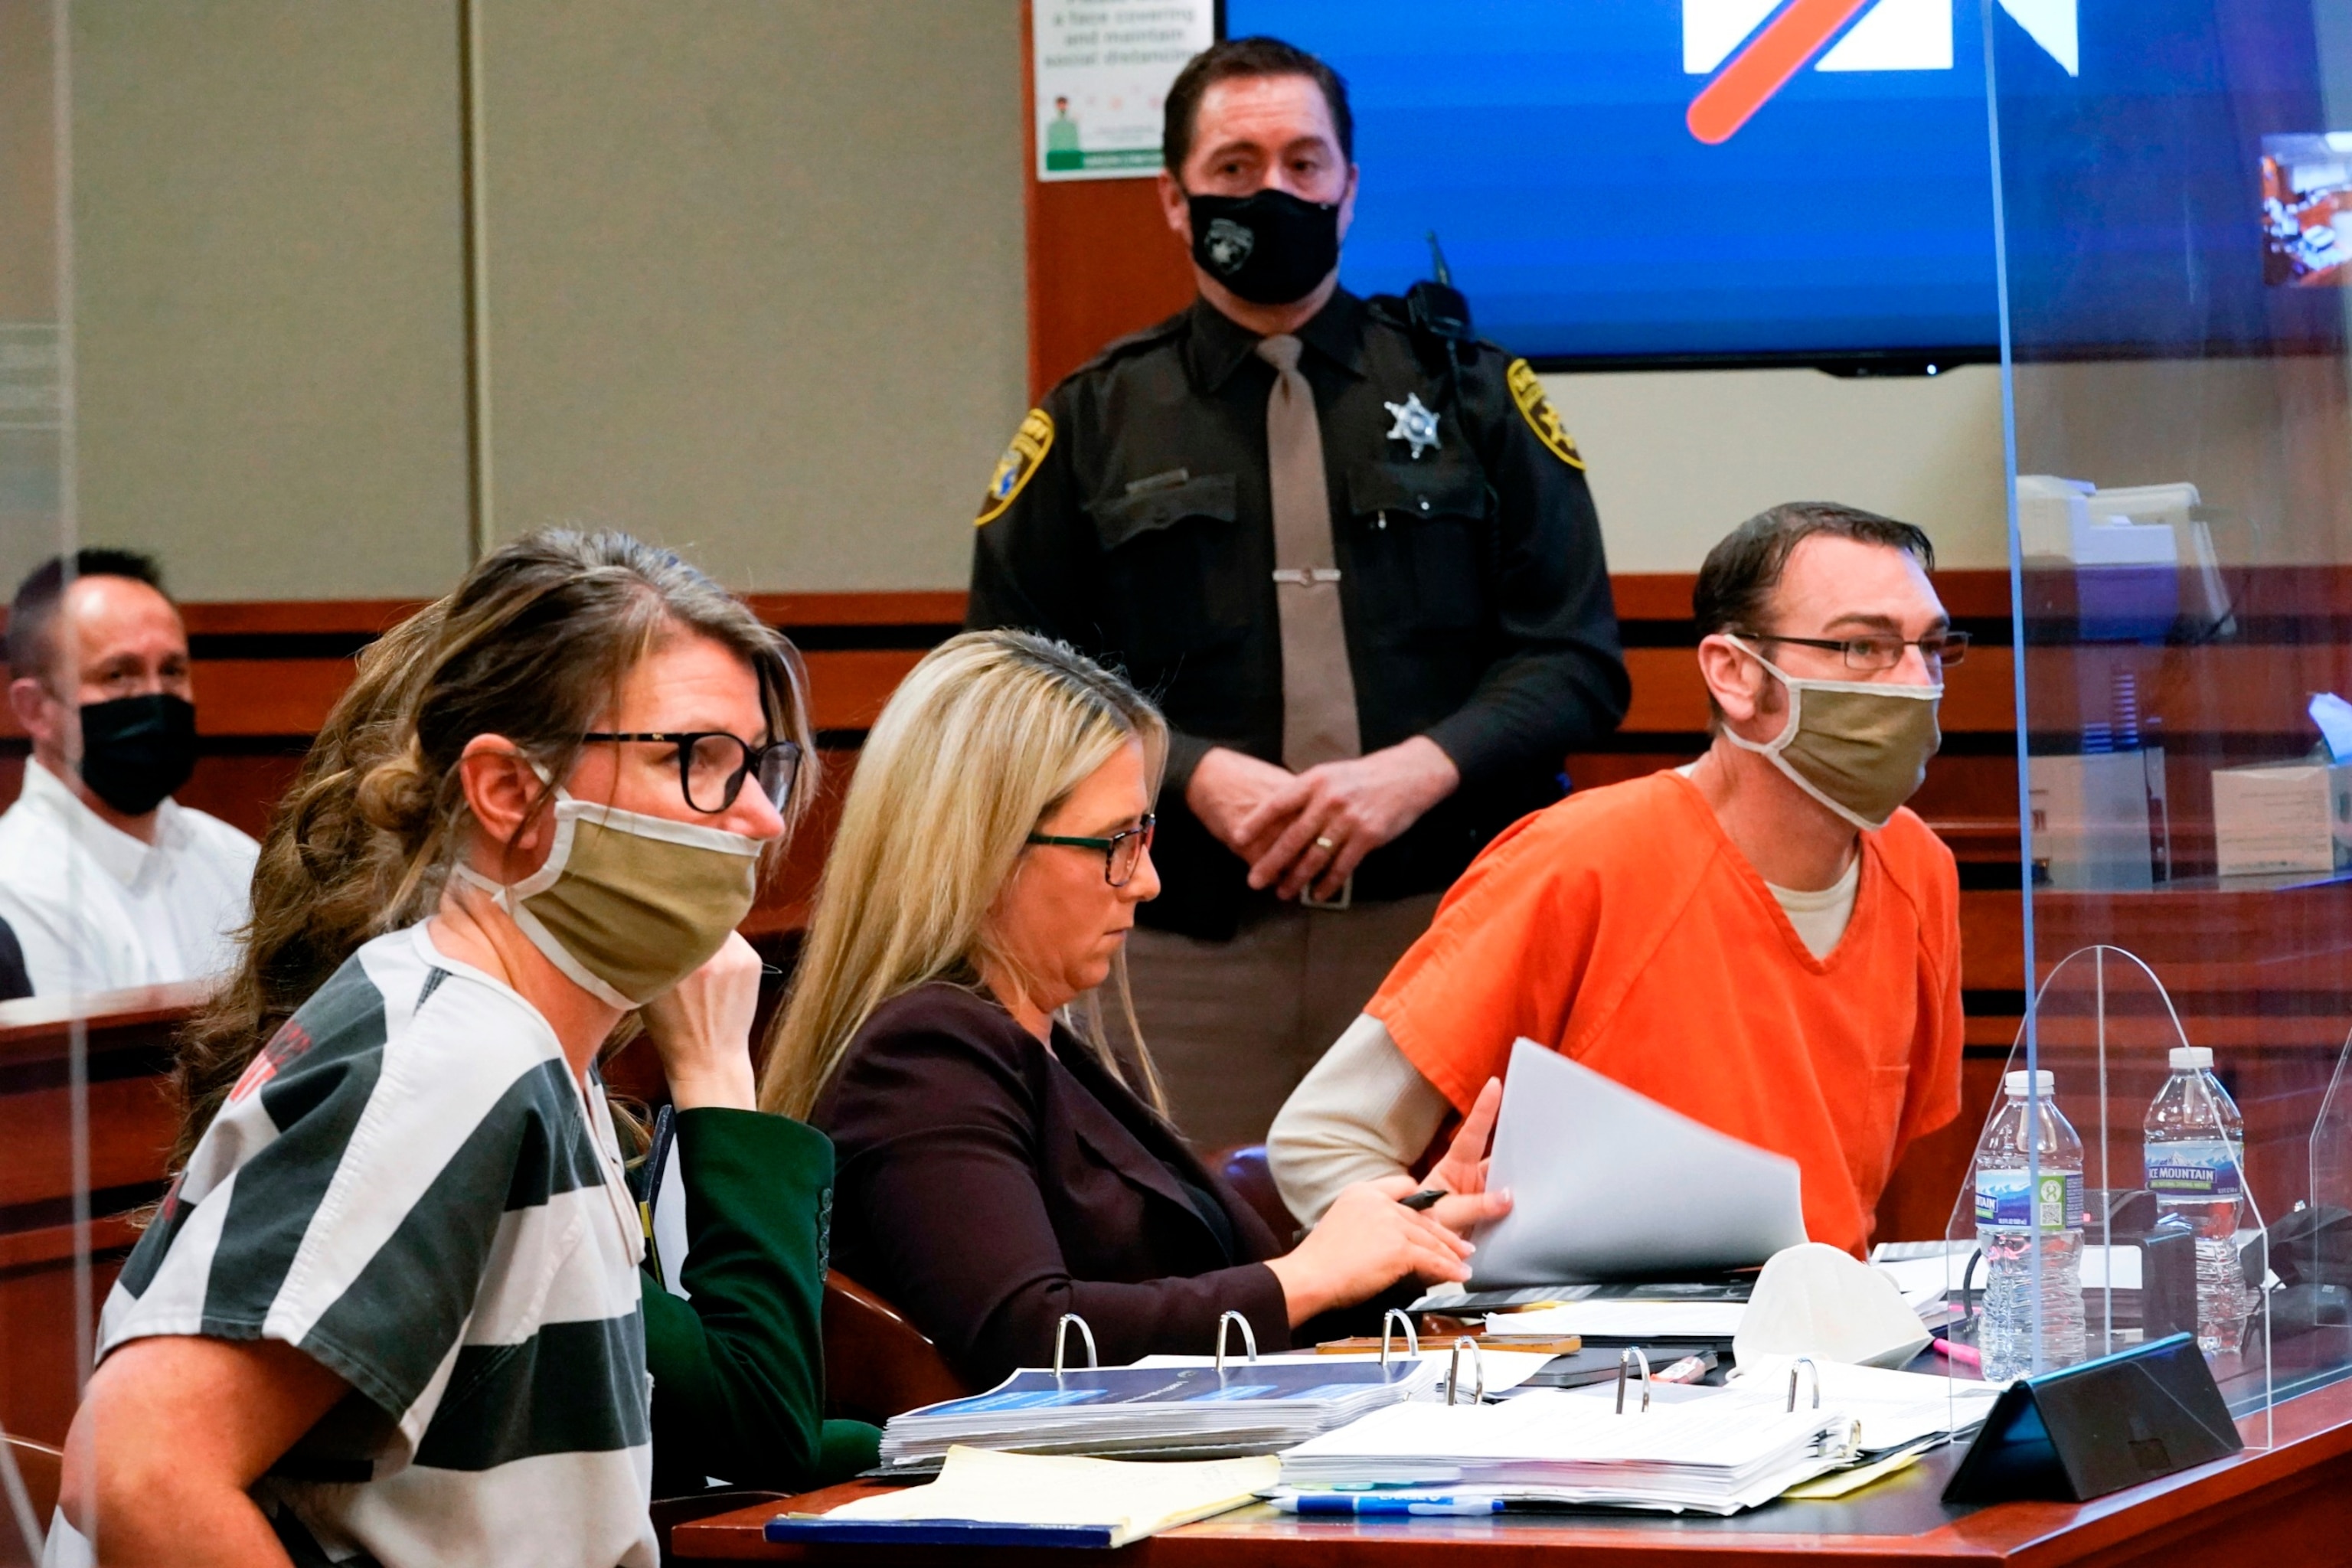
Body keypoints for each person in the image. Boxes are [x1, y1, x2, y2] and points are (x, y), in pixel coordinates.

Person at [50, 531, 859, 1568]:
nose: (755, 818)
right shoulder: (450, 1055)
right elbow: (135, 1470)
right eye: (695, 759)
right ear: (510, 793)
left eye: (763, 767)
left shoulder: (514, 1050)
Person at [967, 36, 1629, 1148]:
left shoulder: (1475, 396)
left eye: (1303, 163)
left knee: (1467, 1270)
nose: (1272, 191)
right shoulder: (1091, 421)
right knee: (1191, 1269)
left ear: (1349, 188)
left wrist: (1415, 773)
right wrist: (1184, 770)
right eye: (1234, 167)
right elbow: (1006, 682)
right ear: (1174, 200)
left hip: (1448, 927)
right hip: (1179, 949)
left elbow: (1576, 662)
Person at [759, 629, 1508, 1390]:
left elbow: (1211, 1313)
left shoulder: (1043, 1043)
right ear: (986, 847)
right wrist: (1308, 1273)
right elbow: (1029, 1336)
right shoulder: (926, 1051)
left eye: (1145, 835)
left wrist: (1399, 1246)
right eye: (1117, 841)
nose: (1146, 881)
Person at [1267, 502, 1967, 1259]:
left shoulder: (1921, 870)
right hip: (1592, 1360)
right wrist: (1440, 1254)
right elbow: (1323, 1138)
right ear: (1734, 673)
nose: (1915, 682)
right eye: (1862, 645)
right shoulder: (1583, 859)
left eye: (1930, 648)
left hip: (1819, 1348)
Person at [0, 549, 260, 997]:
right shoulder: (15, 884)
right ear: (34, 708)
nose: (156, 699)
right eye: (119, 675)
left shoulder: (237, 860)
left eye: (173, 671)